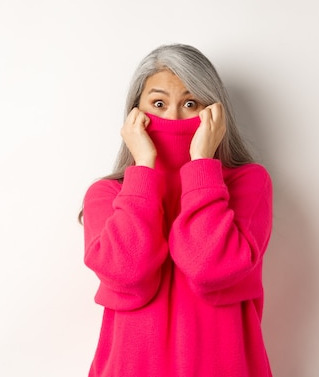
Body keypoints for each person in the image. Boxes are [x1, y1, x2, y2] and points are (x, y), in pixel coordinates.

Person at [80, 44, 273, 377]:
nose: (172, 117)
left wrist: (202, 166)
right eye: (158, 103)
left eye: (190, 103)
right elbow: (129, 274)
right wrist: (143, 171)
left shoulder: (247, 184)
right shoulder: (107, 195)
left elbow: (209, 268)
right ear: (134, 115)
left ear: (214, 112)